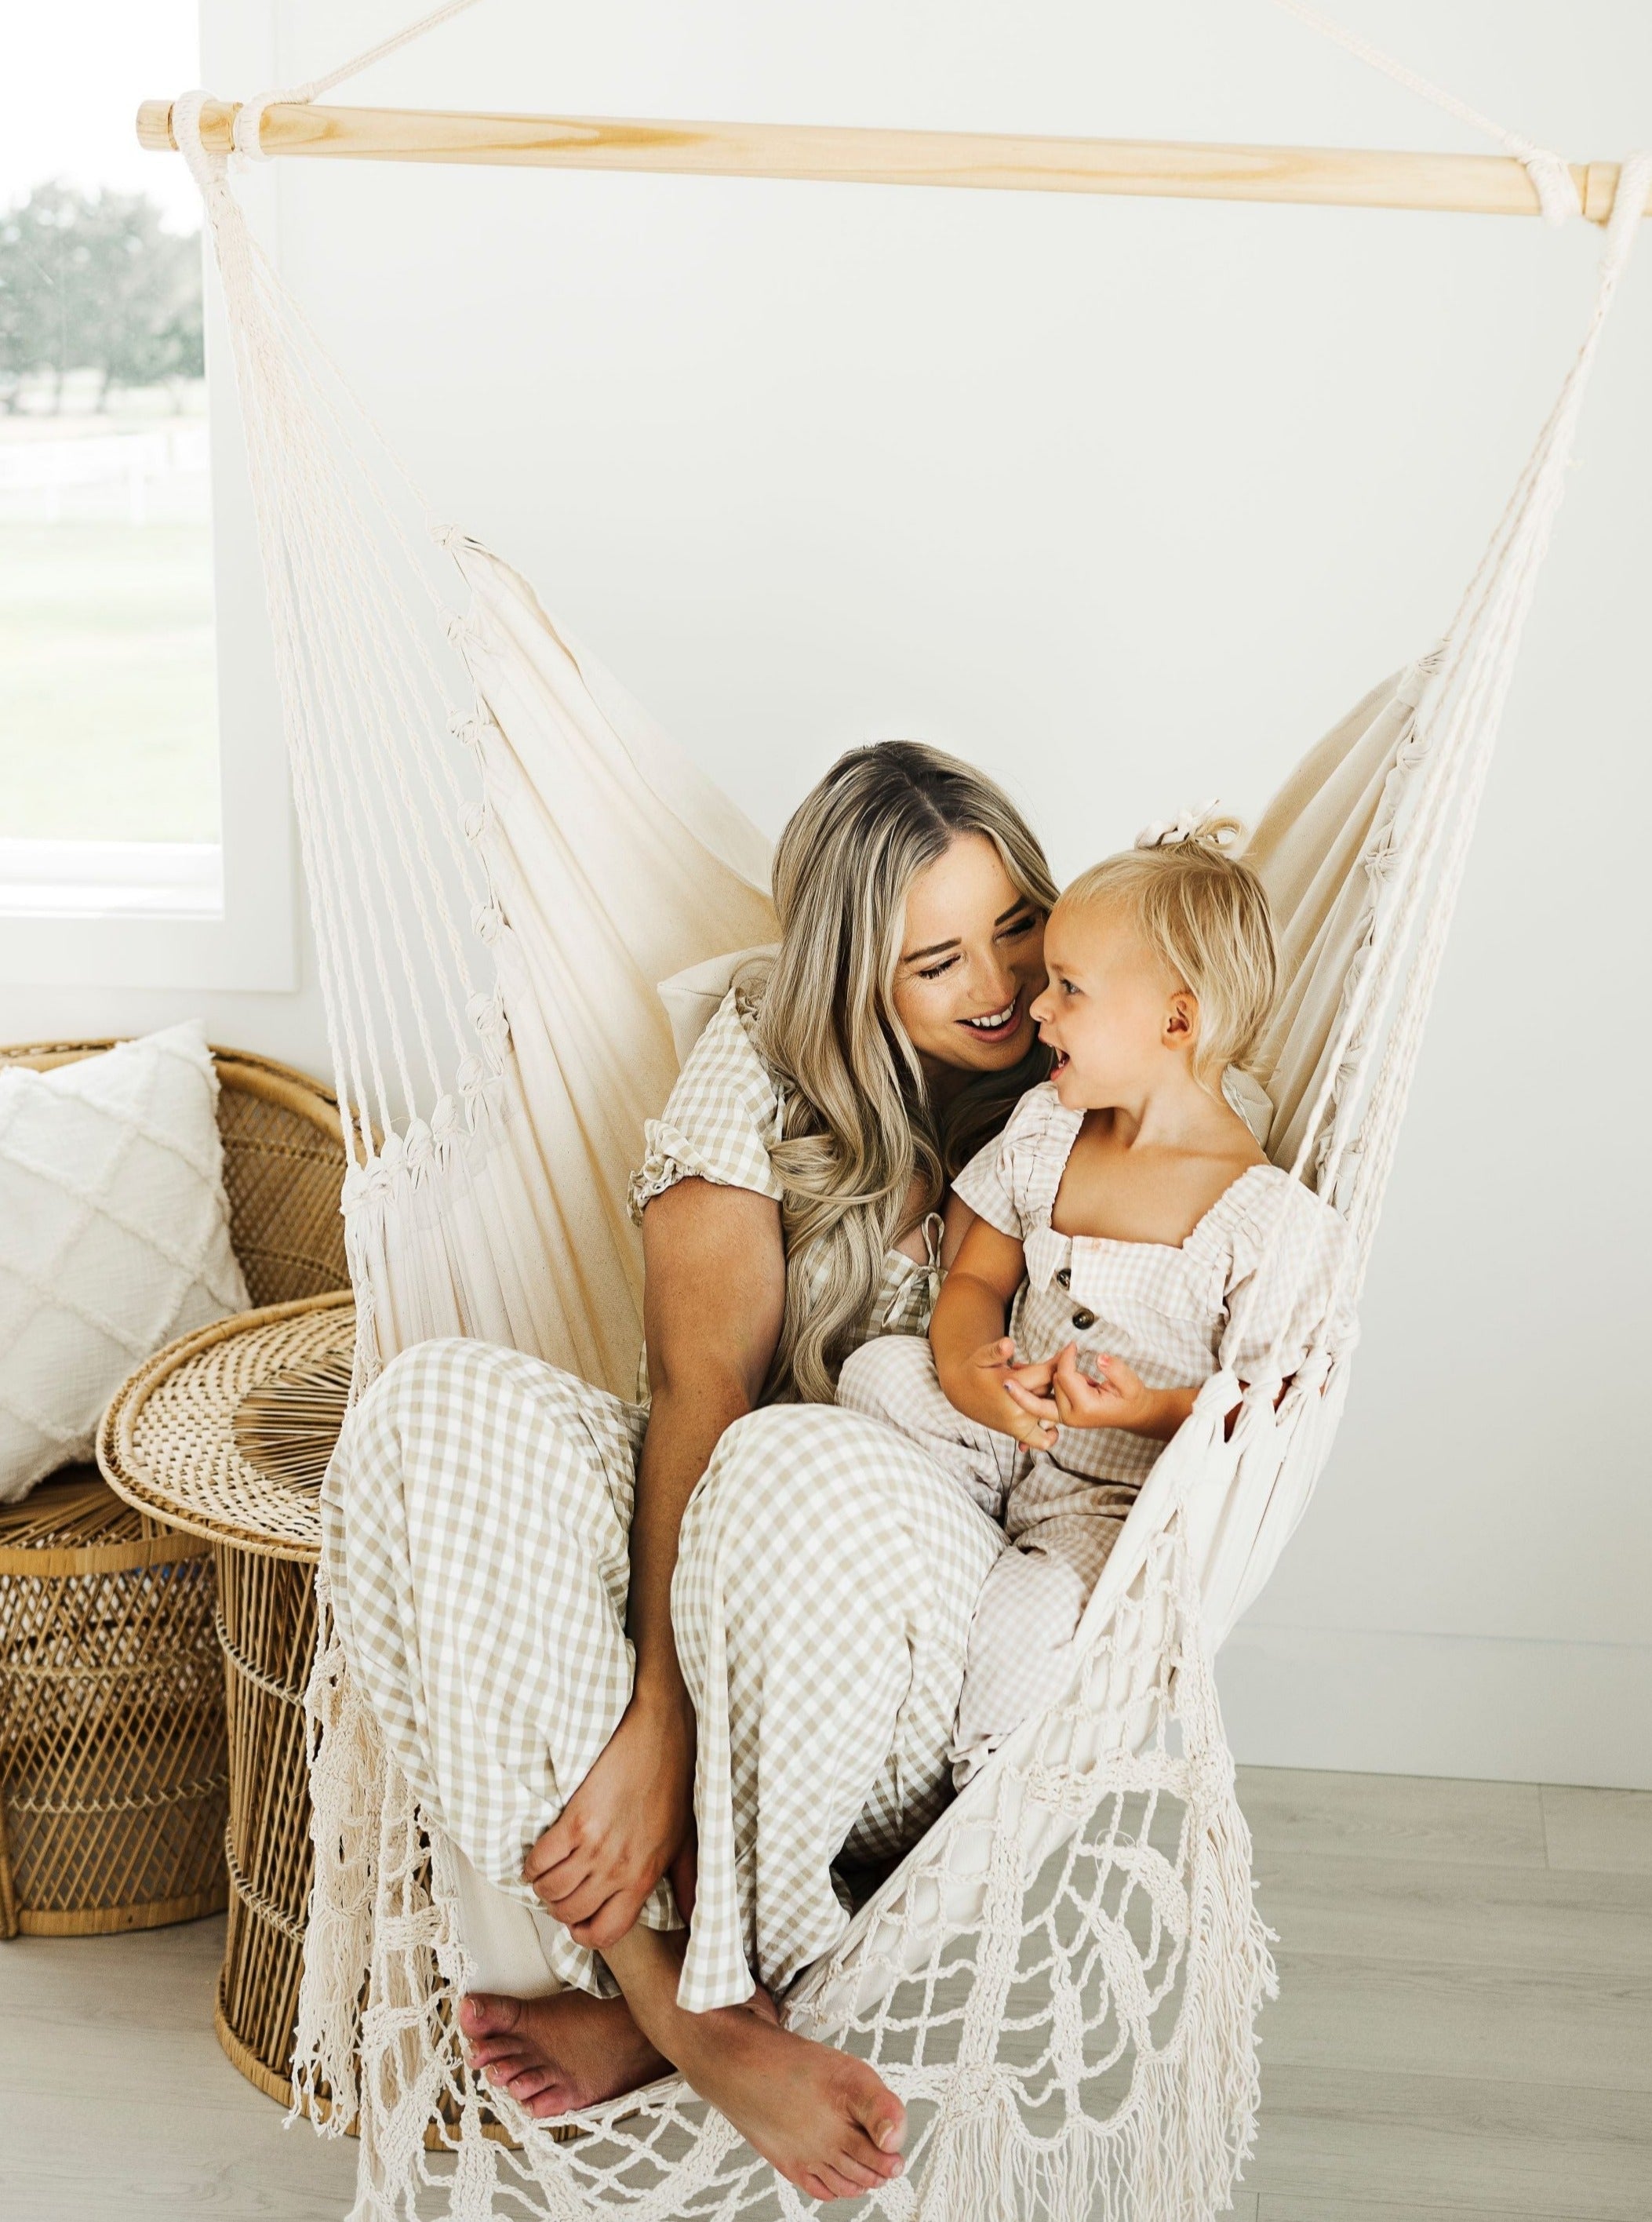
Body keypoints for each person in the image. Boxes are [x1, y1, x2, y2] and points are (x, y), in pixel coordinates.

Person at [322, 740, 1057, 2205]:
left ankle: (726, 1966)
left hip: (917, 1630)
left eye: (1017, 923)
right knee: (431, 1409)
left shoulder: (1090, 1052)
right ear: (851, 979)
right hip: (735, 1585)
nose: (1000, 984)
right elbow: (697, 1387)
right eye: (936, 959)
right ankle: (674, 2004)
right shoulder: (766, 1056)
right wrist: (660, 1706)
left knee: (799, 1460)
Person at [839, 812, 1354, 1784]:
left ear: (1176, 1020)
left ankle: (977, 1810)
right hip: (1001, 1434)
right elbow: (978, 1276)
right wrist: (967, 1367)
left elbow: (1270, 1421)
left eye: (1068, 990)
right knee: (878, 1372)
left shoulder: (1268, 1225)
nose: (1035, 1009)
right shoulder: (1046, 1133)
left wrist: (1151, 1409)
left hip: (1108, 1510)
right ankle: (935, 1545)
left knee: (1028, 1622)